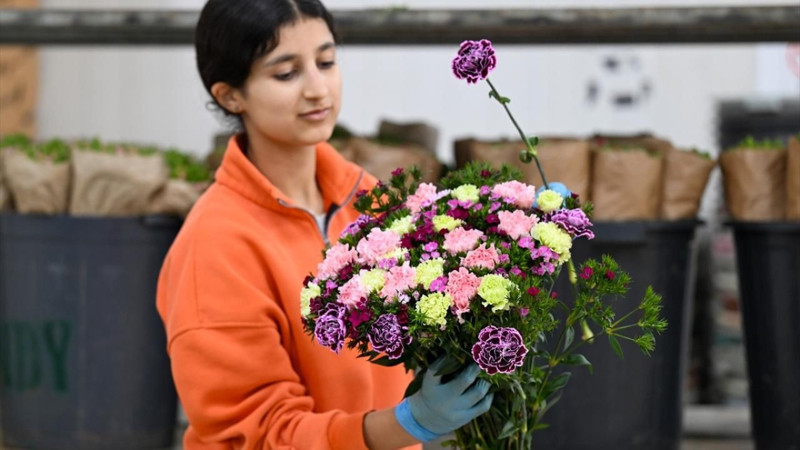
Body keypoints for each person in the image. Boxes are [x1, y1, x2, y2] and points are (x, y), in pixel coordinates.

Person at [155, 1, 494, 448]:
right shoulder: (214, 248)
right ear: (230, 95)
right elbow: (261, 434)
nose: (318, 89)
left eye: (326, 62)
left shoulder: (369, 200)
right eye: (286, 73)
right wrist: (409, 423)